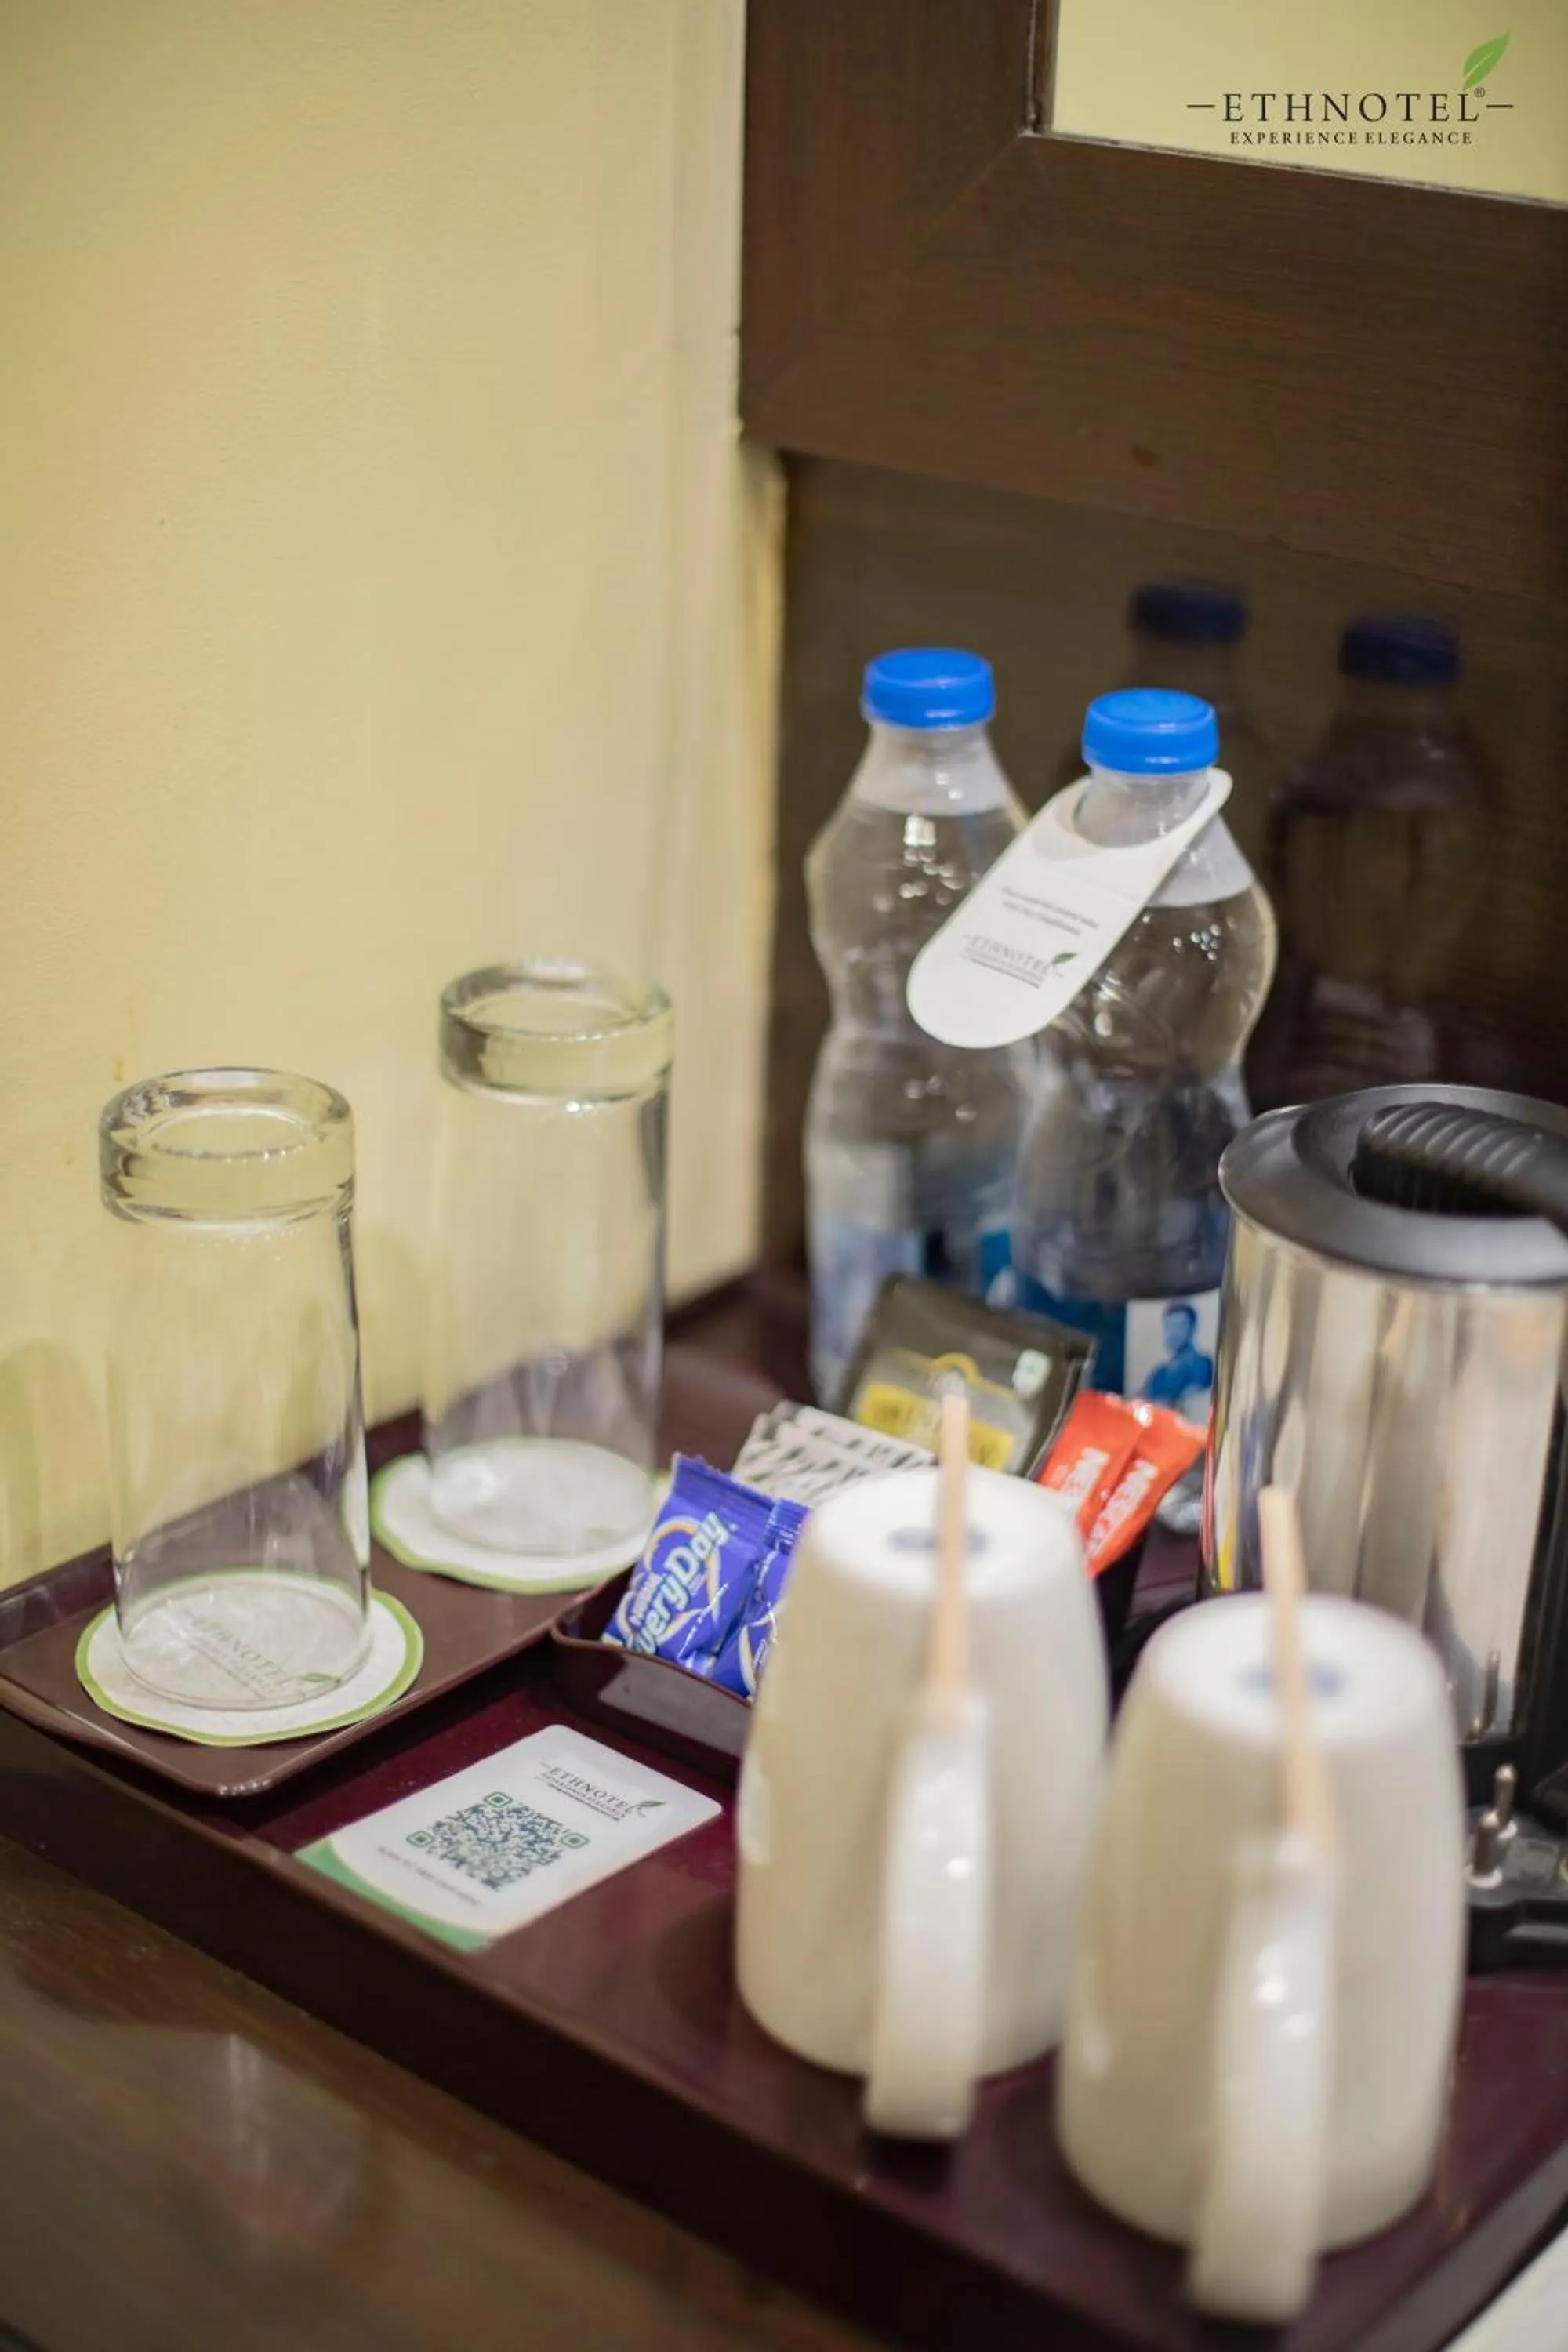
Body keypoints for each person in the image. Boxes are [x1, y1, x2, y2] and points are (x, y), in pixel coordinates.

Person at [1140, 1301, 1214, 1417]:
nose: (1173, 1333)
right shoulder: (1159, 1374)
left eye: (1180, 1326)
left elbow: (1193, 1399)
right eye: (1169, 1327)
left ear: (1192, 1328)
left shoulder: (1203, 1365)